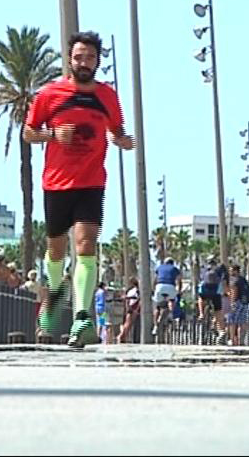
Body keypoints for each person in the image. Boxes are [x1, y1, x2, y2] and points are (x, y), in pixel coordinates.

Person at [23, 30, 134, 348]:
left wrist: (123, 141)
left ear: (98, 61)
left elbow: (117, 130)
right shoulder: (49, 94)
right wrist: (53, 135)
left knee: (85, 245)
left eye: (90, 57)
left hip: (91, 182)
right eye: (78, 57)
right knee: (56, 250)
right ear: (69, 60)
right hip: (56, 182)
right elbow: (29, 133)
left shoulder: (108, 95)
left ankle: (82, 317)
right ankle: (53, 307)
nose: (83, 62)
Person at [153, 258, 182, 335]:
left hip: (159, 286)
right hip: (170, 286)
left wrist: (154, 289)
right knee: (172, 300)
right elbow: (179, 280)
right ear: (172, 263)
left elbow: (155, 279)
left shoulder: (159, 267)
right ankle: (171, 314)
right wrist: (179, 291)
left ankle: (155, 326)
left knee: (157, 307)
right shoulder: (175, 269)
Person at [227, 264, 249, 346]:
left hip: (237, 302)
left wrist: (232, 302)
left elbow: (234, 291)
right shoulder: (243, 280)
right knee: (242, 322)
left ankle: (232, 339)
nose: (230, 272)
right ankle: (241, 340)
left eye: (231, 270)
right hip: (245, 303)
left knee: (232, 321)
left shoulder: (235, 280)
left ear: (235, 271)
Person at [117, 277, 140, 344]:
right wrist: (131, 308)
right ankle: (121, 336)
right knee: (128, 324)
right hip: (132, 308)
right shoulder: (135, 291)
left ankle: (123, 337)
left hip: (131, 308)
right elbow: (129, 300)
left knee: (128, 324)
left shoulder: (132, 290)